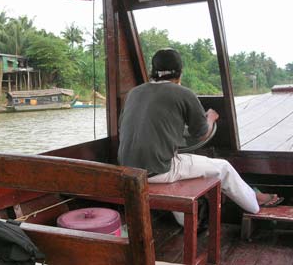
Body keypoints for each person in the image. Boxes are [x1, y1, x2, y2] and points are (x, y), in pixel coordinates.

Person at [118, 48, 283, 218]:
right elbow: (202, 134)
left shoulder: (134, 93)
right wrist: (210, 118)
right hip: (158, 171)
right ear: (180, 73)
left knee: (185, 167)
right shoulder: (184, 93)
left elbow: (129, 128)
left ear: (153, 72)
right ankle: (255, 206)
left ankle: (187, 219)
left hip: (129, 171)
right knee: (223, 167)